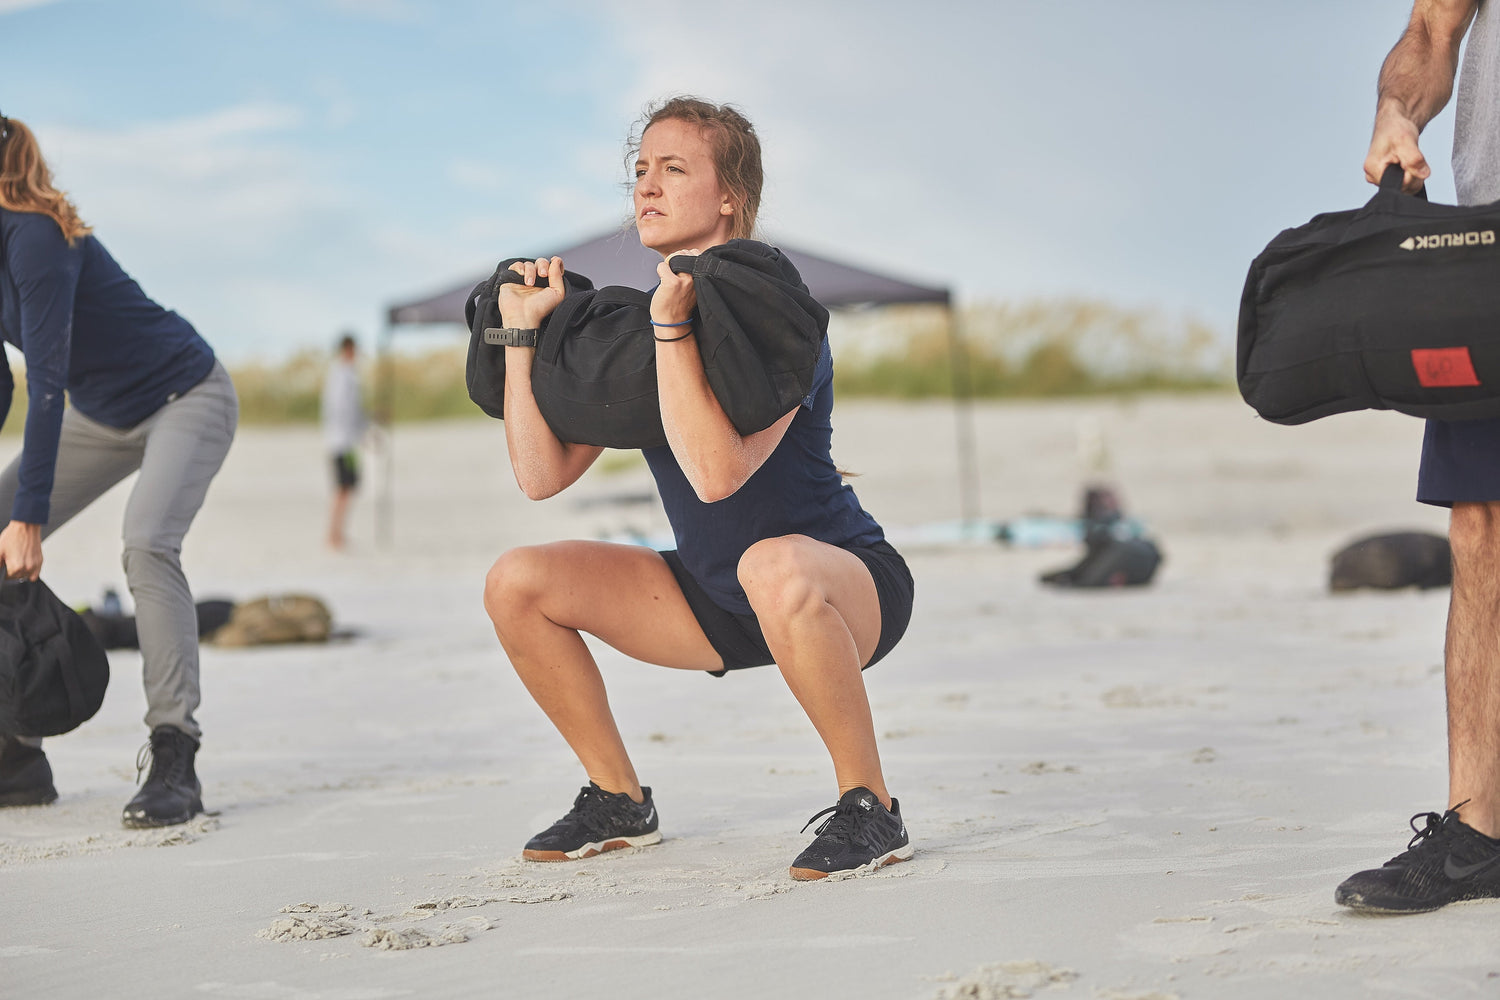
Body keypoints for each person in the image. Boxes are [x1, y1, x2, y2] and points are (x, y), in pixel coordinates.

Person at [482, 97, 915, 880]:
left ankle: (871, 807)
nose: (647, 185)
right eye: (640, 169)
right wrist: (522, 334)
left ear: (729, 197)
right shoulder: (642, 329)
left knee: (771, 566)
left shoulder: (774, 319)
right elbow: (541, 476)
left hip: (842, 588)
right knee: (518, 581)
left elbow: (717, 476)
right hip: (715, 598)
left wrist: (674, 328)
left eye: (673, 168)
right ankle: (618, 799)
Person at [0, 113, 238, 828]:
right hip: (101, 413)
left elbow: (44, 380)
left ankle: (175, 752)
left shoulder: (35, 233)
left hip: (185, 395)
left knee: (146, 543)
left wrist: (29, 517)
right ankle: (17, 755)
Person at [1336, 0, 1500, 913]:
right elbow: (1434, 32)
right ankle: (1477, 835)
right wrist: (1397, 112)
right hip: (1490, 251)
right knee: (1482, 526)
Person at [321, 332, 367, 550]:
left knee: (347, 488)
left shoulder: (343, 373)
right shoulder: (342, 374)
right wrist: (360, 430)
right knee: (343, 488)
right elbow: (344, 409)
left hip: (344, 439)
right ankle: (334, 535)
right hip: (342, 441)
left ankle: (338, 533)